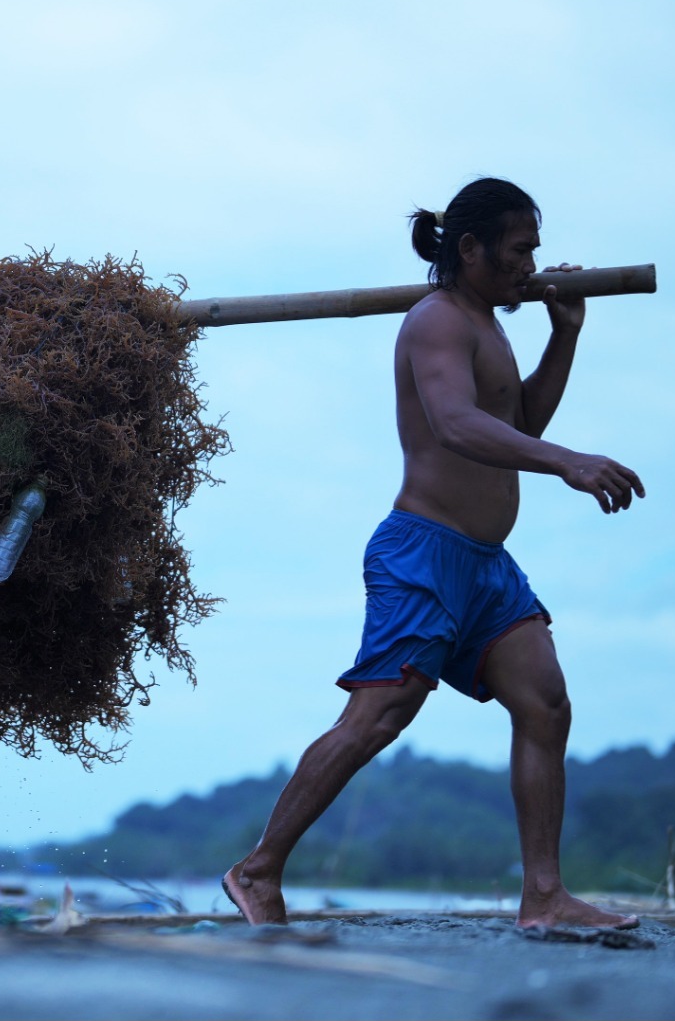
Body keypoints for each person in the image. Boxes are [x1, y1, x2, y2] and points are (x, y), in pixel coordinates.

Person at [222, 179, 645, 929]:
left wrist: (566, 332)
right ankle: (256, 870)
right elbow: (454, 423)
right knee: (378, 719)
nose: (531, 266)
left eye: (535, 252)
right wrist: (570, 461)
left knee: (545, 703)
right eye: (520, 252)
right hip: (422, 553)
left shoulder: (490, 324)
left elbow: (519, 420)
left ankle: (544, 897)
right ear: (471, 249)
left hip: (486, 566)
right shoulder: (435, 322)